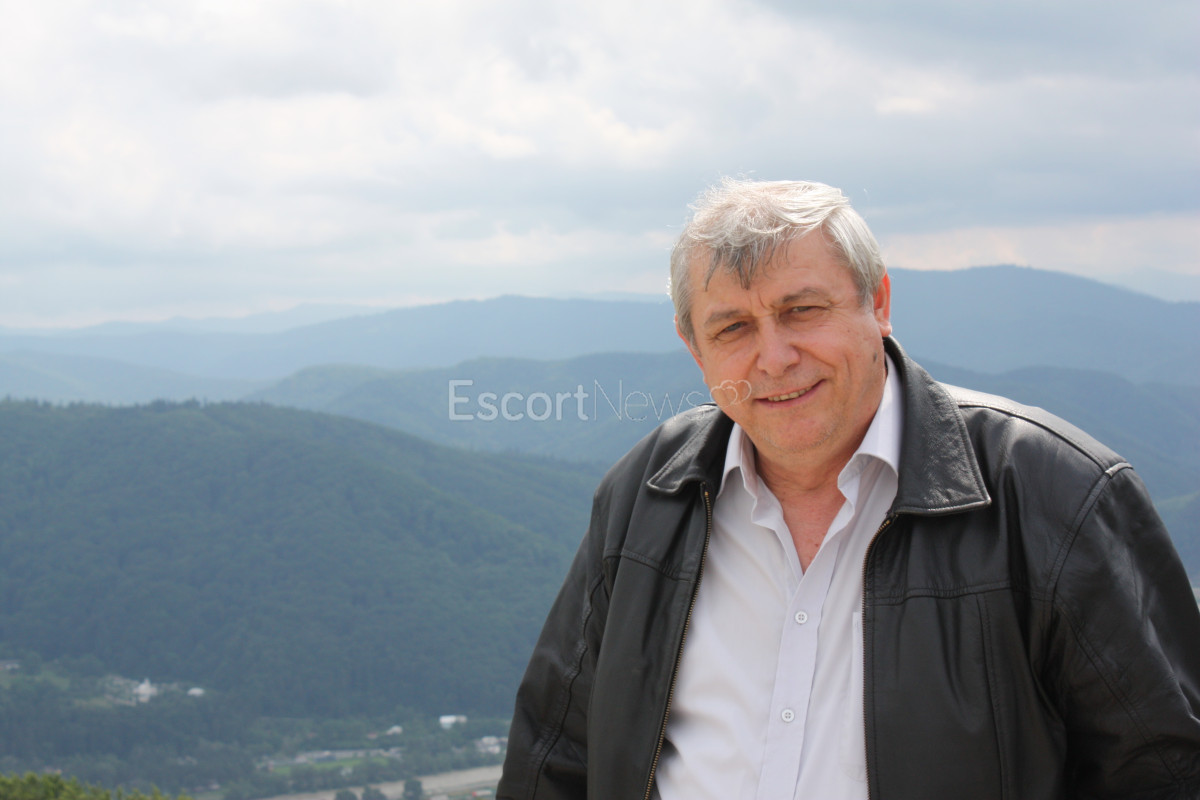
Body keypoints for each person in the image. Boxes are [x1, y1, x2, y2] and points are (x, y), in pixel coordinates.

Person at [496, 179, 1200, 799]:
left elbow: (1166, 773)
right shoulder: (646, 494)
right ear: (694, 348)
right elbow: (553, 758)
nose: (775, 358)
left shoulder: (1053, 492)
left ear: (878, 302)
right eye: (734, 327)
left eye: (802, 310)